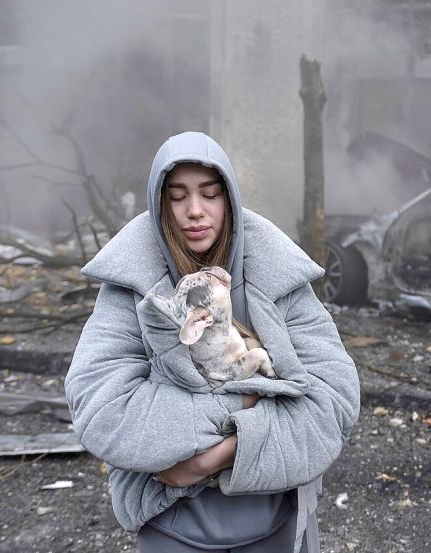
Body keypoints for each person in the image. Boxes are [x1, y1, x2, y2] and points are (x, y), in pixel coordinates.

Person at [65, 131, 360, 553]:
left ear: (230, 200)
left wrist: (211, 460)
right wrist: (245, 402)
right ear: (159, 203)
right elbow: (103, 410)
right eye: (177, 196)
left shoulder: (280, 277)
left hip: (277, 518)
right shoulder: (129, 285)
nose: (195, 211)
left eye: (210, 193)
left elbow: (334, 404)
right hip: (169, 521)